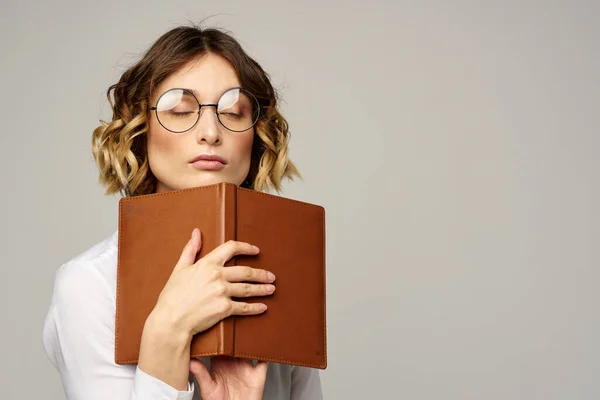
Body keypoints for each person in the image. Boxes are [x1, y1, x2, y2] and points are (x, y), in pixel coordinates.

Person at [42, 24, 324, 400]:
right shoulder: (90, 284)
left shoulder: (279, 278)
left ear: (255, 136)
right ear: (140, 129)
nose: (210, 131)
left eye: (234, 111)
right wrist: (167, 331)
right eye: (180, 109)